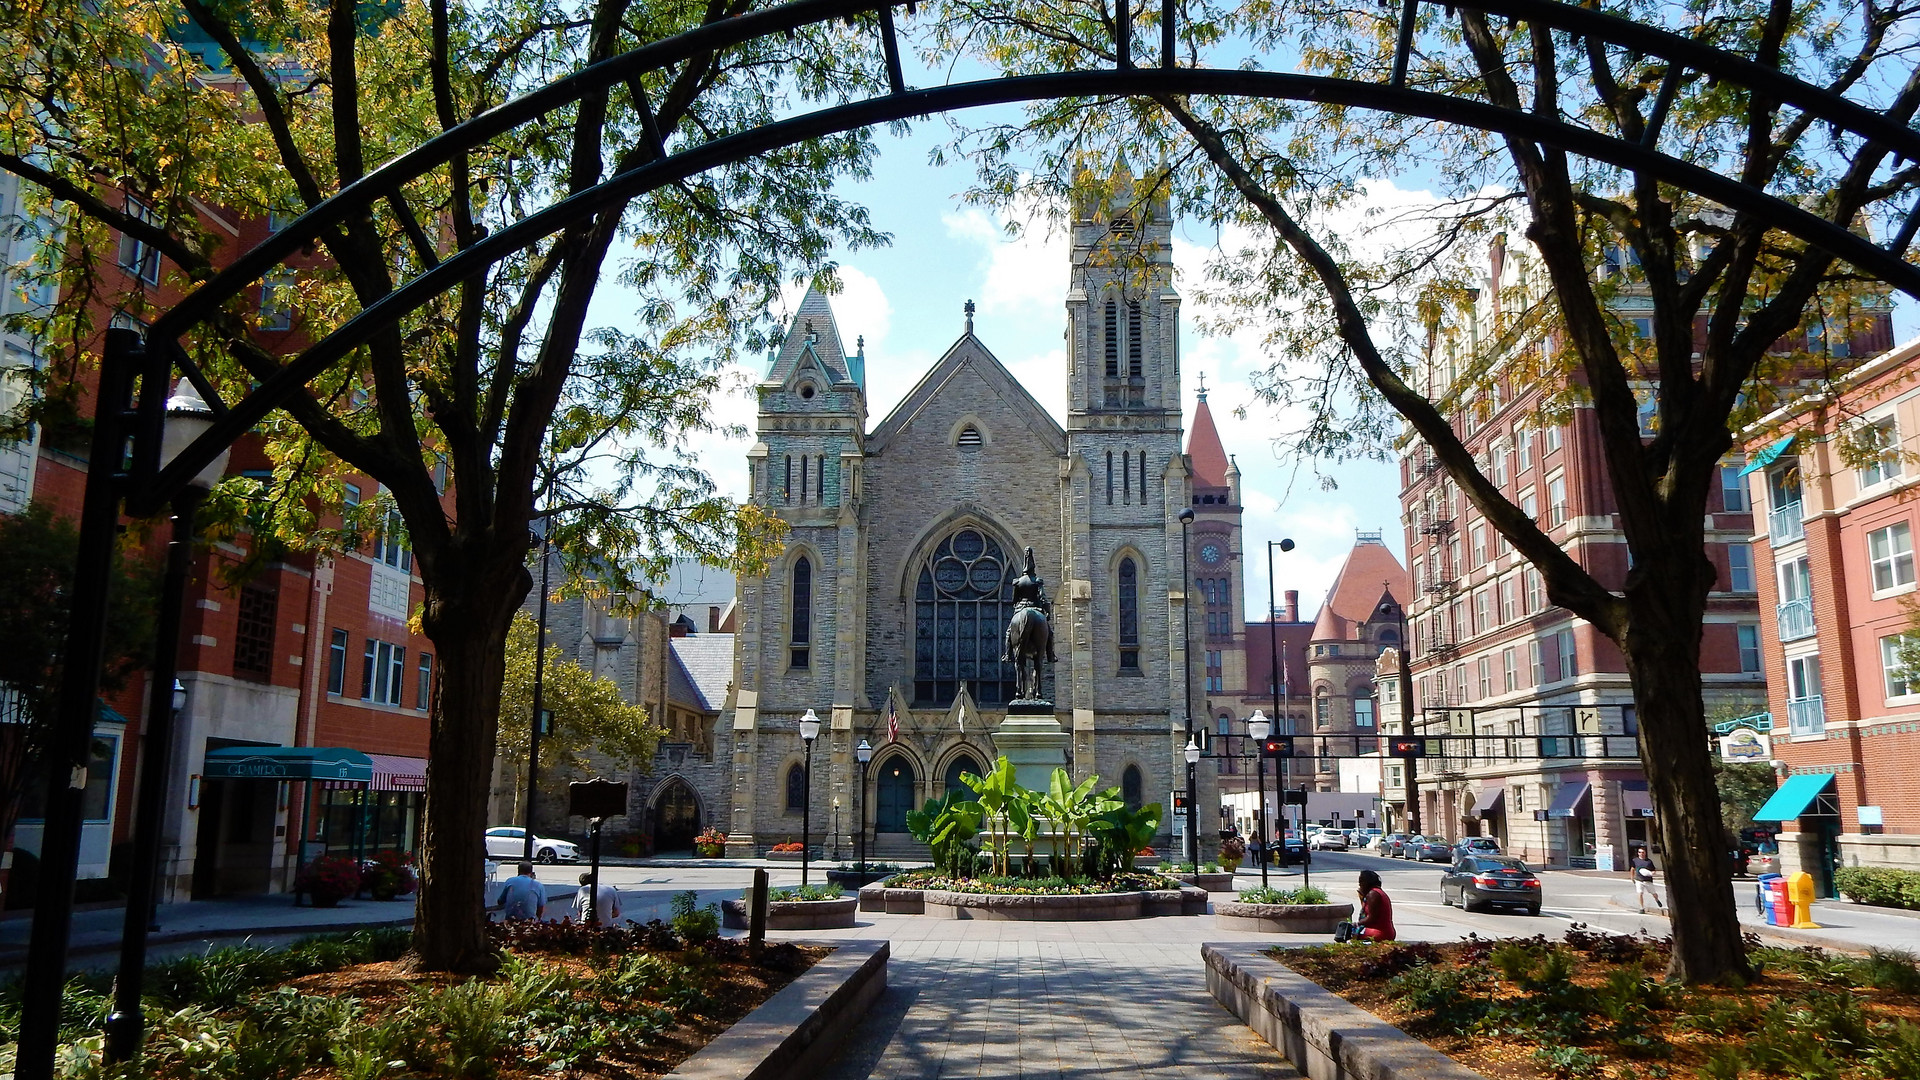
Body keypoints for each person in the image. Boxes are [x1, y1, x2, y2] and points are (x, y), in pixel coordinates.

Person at [1335, 869, 1396, 943]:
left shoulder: (1373, 894)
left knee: (1345, 931)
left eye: (1361, 883)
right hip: (1383, 931)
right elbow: (1366, 912)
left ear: (1366, 883)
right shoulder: (1377, 892)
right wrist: (1363, 898)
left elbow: (1371, 918)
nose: (1360, 885)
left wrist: (1357, 924)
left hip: (1378, 932)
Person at [1630, 847, 1665, 913]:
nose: (1641, 854)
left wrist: (1652, 873)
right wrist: (1632, 877)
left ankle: (1657, 899)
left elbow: (1653, 870)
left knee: (1653, 893)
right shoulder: (1635, 860)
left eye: (1643, 852)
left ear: (1645, 853)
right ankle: (1641, 908)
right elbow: (1632, 869)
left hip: (1648, 880)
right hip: (1639, 880)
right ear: (1638, 853)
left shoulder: (1649, 862)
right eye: (1639, 852)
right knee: (1640, 893)